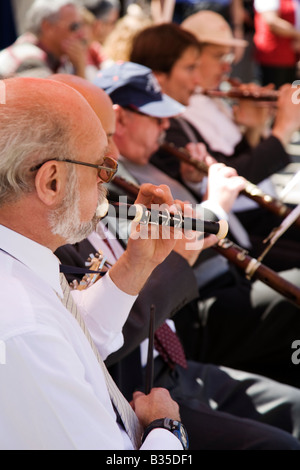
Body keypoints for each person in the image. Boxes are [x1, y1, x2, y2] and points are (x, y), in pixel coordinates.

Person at [51, 72, 300, 450]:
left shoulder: (115, 183)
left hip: (173, 361)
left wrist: (198, 197)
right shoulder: (61, 221)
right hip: (143, 387)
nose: (112, 156)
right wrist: (202, 223)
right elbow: (104, 332)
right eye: (102, 140)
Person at [0, 75, 194, 450]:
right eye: (102, 167)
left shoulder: (23, 272)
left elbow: (73, 338)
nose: (110, 175)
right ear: (52, 182)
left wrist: (137, 263)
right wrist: (168, 428)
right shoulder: (25, 329)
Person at [92, 60, 300, 389]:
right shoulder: (113, 181)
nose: (166, 127)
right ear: (120, 118)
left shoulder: (150, 158)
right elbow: (164, 242)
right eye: (157, 118)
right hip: (192, 311)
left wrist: (195, 187)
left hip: (223, 282)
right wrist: (215, 204)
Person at [130, 19, 300, 273]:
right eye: (191, 67)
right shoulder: (171, 119)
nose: (226, 65)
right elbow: (227, 172)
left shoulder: (203, 101)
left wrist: (254, 128)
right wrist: (281, 131)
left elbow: (231, 166)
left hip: (236, 221)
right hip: (223, 235)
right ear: (159, 77)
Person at [0, 0, 87, 79]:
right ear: (47, 26)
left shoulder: (56, 59)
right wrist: (80, 70)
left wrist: (79, 66)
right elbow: (50, 95)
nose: (82, 35)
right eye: (75, 27)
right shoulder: (30, 59)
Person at [253, 0, 300, 89]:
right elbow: (272, 22)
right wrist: (297, 34)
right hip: (274, 57)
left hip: (293, 58)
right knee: (273, 97)